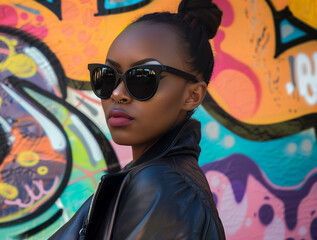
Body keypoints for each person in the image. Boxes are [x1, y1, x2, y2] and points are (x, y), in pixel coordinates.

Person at [49, 0, 225, 239]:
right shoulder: (150, 177)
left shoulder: (161, 185)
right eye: (107, 77)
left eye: (142, 78)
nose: (117, 93)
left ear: (192, 95)